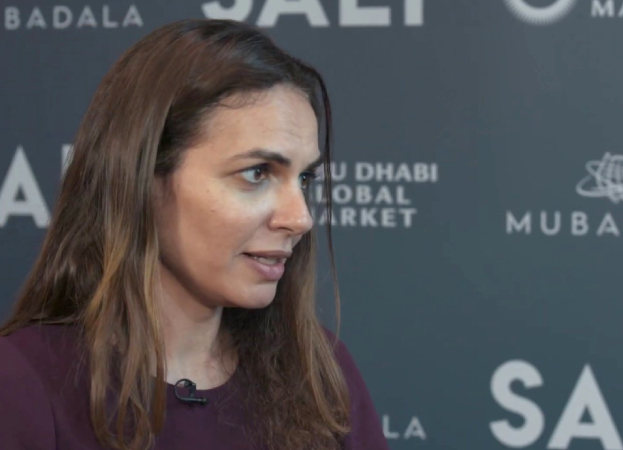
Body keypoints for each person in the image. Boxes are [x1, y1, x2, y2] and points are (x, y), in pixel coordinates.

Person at [0, 19, 389, 450]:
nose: (299, 219)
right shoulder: (22, 383)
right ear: (143, 178)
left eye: (305, 179)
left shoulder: (320, 375)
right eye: (257, 173)